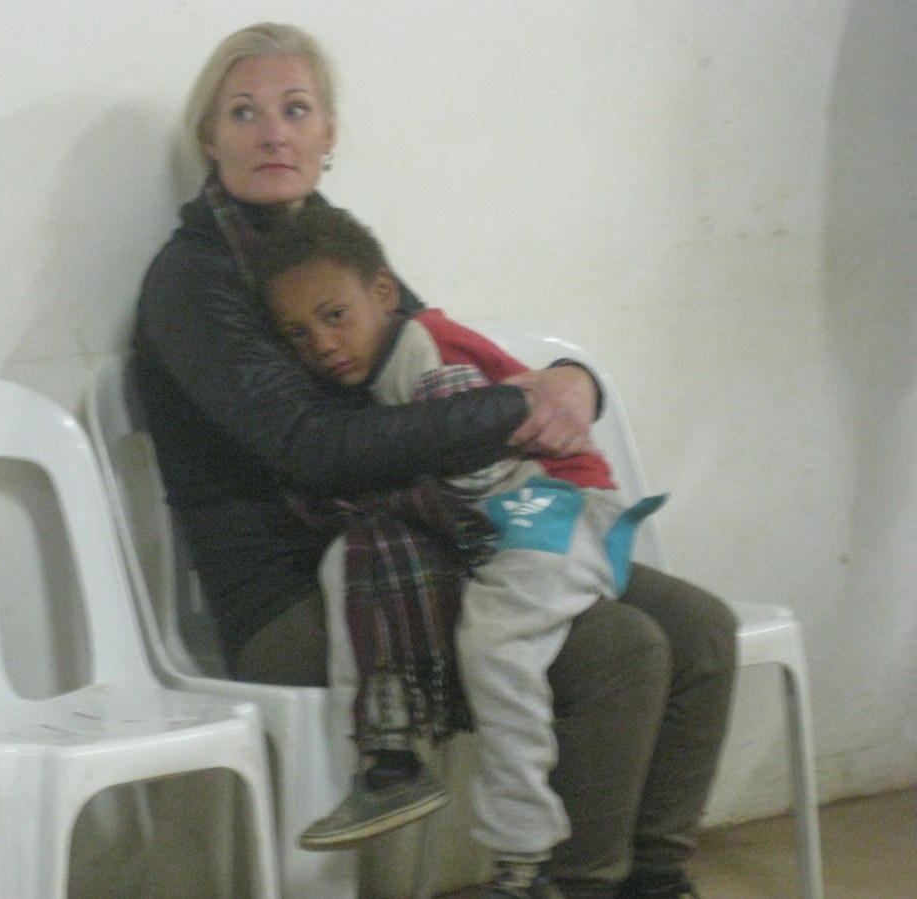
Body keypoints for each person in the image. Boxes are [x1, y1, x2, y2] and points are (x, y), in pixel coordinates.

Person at [132, 21, 736, 899]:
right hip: (300, 588)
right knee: (619, 648)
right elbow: (317, 451)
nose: (272, 134)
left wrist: (573, 383)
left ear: (328, 133)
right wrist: (515, 408)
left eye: (295, 109)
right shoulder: (192, 280)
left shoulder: (331, 250)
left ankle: (654, 880)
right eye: (244, 113)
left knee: (701, 628)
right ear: (209, 139)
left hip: (435, 532)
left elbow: (448, 361)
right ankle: (576, 886)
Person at [254, 203, 669, 895]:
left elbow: (478, 464)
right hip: (506, 512)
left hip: (558, 505)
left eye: (335, 315)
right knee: (345, 563)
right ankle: (385, 760)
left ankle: (522, 856)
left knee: (495, 639)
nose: (321, 343)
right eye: (299, 333)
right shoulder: (373, 369)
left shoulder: (427, 352)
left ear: (383, 293)